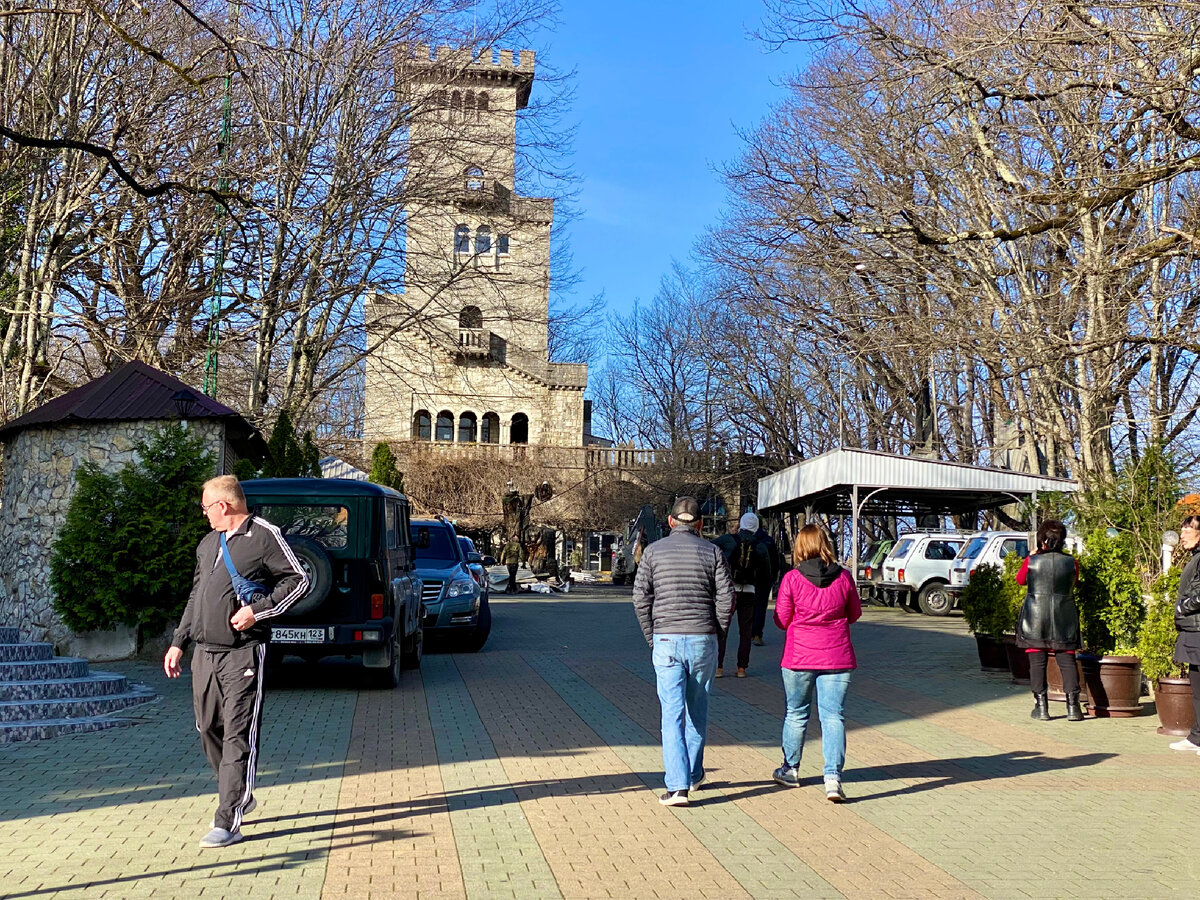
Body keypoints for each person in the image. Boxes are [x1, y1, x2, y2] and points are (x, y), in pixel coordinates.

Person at [163, 475, 308, 849]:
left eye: (206, 506)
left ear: (223, 506)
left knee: (237, 734)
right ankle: (240, 790)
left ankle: (228, 818)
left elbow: (299, 580)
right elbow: (197, 594)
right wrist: (179, 641)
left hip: (243, 651)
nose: (204, 513)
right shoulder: (208, 543)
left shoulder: (263, 535)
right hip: (204, 653)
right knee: (207, 726)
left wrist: (257, 613)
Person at [633, 496, 735, 808]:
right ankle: (692, 774)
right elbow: (727, 597)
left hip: (666, 639)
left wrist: (653, 637)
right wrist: (716, 632)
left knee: (672, 714)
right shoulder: (713, 552)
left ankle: (677, 787)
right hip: (703, 638)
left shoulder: (652, 552)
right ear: (701, 524)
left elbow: (640, 598)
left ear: (670, 521)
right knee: (698, 711)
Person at [772, 523, 861, 802]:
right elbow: (854, 614)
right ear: (825, 544)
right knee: (833, 716)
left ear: (800, 546)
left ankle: (791, 769)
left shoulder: (792, 579)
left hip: (799, 656)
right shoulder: (844, 577)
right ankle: (833, 778)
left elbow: (781, 619)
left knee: (796, 713)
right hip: (837, 656)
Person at [1016, 519, 1083, 722]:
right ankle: (1074, 707)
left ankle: (1041, 707)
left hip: (1036, 616)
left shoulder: (1032, 561)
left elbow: (1020, 580)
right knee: (1067, 660)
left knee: (1037, 662)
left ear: (1042, 540)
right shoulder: (1072, 562)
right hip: (1064, 616)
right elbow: (1075, 582)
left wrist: (1031, 558)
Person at [719, 512, 770, 678]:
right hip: (749, 591)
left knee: (722, 629)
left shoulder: (728, 540)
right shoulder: (761, 546)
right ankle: (742, 668)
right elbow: (766, 573)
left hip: (729, 590)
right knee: (745, 631)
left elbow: (708, 547)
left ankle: (718, 668)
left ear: (741, 524)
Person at [1170, 515, 1200, 752]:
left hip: (1198, 629)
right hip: (1192, 628)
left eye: (1187, 531)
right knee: (1197, 686)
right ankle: (1196, 736)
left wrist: (1182, 607)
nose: (1182, 536)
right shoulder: (1195, 558)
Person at [751, 522, 782, 647]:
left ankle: (749, 633)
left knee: (749, 606)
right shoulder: (768, 541)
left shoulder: (745, 539)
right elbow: (775, 561)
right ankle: (757, 634)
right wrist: (773, 577)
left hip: (748, 579)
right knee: (760, 607)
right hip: (764, 579)